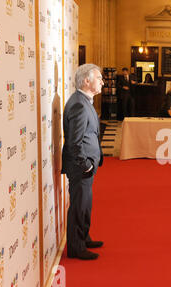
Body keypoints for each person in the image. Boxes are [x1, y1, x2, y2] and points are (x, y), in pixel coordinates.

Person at [61, 64, 104, 260]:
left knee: (85, 204)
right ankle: (76, 247)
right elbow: (74, 142)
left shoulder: (84, 100)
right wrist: (85, 164)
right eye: (99, 78)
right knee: (79, 205)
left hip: (86, 165)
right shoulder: (78, 103)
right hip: (81, 167)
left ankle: (84, 237)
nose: (102, 82)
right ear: (87, 81)